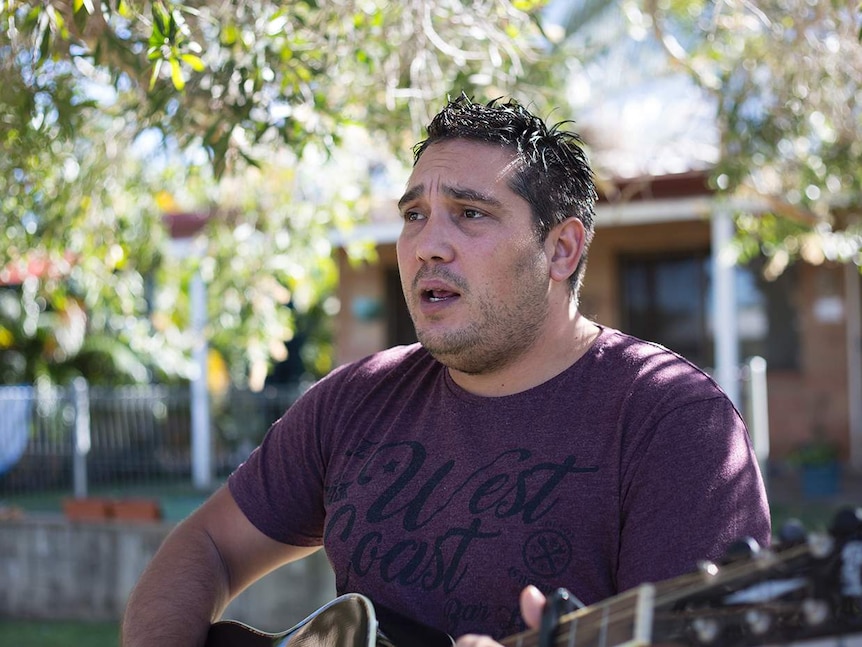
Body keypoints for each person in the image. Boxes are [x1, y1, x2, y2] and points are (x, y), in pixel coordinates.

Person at [121, 95, 771, 647]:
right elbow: (203, 544)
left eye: (470, 213)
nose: (426, 244)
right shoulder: (355, 400)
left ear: (561, 248)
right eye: (413, 215)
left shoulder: (677, 424)